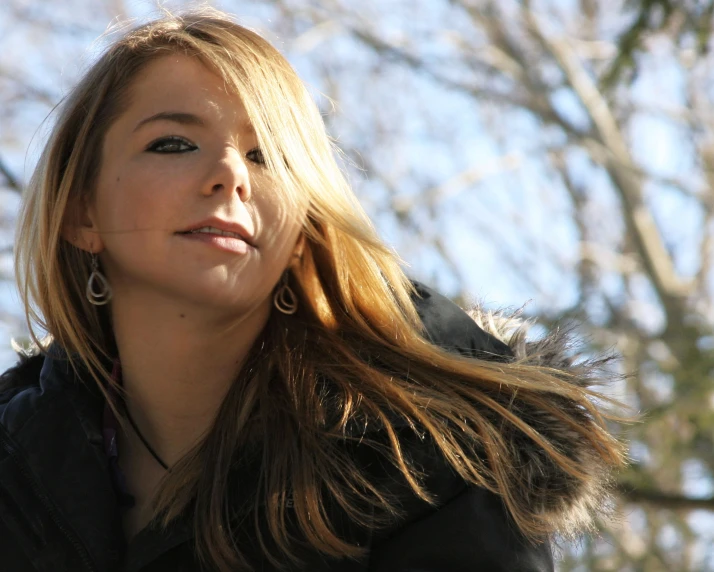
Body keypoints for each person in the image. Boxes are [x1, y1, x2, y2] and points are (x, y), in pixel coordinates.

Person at [0, 8, 626, 572]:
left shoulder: (440, 459)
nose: (229, 176)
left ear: (301, 230)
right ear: (81, 212)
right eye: (174, 143)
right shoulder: (16, 475)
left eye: (266, 155)